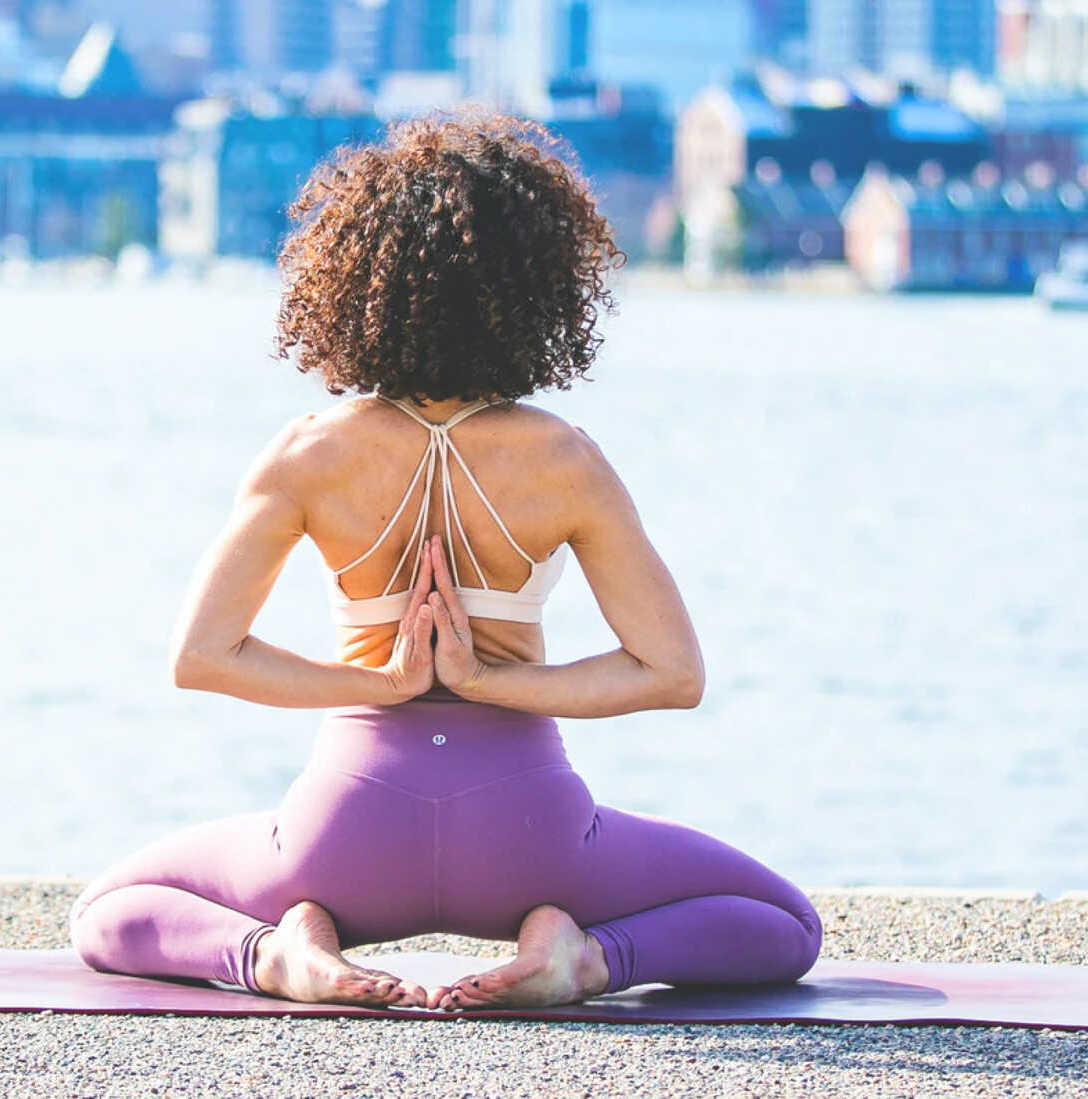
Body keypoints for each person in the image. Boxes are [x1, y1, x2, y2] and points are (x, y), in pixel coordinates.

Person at [69, 108, 822, 1011]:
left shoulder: (308, 453)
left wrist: (383, 686)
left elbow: (202, 656)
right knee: (784, 921)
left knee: (106, 910)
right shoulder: (563, 459)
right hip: (532, 832)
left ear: (352, 281)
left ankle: (278, 954)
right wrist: (487, 683)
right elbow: (672, 673)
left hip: (345, 828)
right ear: (535, 286)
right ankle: (583, 958)